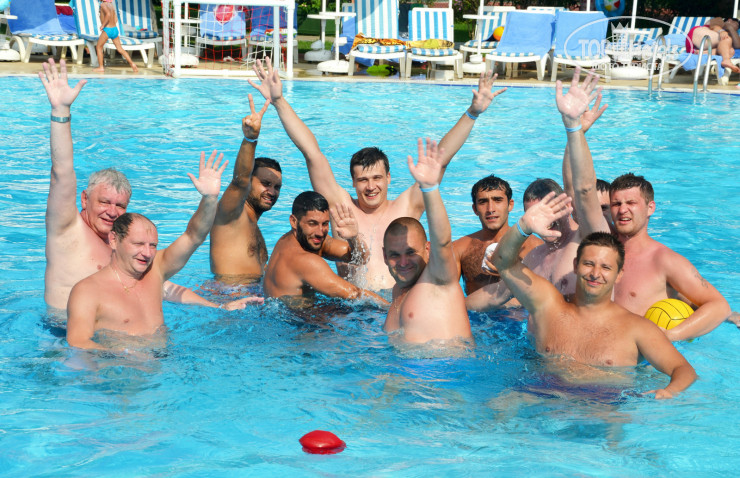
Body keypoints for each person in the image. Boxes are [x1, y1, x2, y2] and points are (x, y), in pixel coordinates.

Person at [249, 57, 506, 291]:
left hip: (400, 301)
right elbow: (311, 153)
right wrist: (279, 101)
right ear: (353, 182)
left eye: (377, 178)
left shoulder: (406, 206)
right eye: (362, 180)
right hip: (354, 310)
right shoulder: (341, 207)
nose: (370, 187)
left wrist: (472, 113)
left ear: (388, 179)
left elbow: (441, 160)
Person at [39, 58, 251, 312]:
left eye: (120, 206)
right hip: (62, 330)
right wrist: (61, 112)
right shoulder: (67, 229)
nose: (112, 211)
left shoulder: (124, 246)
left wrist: (218, 307)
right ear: (84, 199)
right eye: (104, 202)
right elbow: (62, 172)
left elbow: (163, 284)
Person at [492, 193, 696, 399]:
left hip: (601, 405)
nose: (595, 274)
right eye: (589, 264)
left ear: (619, 274)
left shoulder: (637, 328)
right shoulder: (548, 305)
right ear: (575, 265)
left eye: (606, 267)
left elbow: (683, 370)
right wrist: (523, 227)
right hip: (539, 394)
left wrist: (669, 391)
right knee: (501, 404)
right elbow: (503, 262)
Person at [66, 151, 229, 349]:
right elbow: (78, 342)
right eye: (138, 244)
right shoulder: (88, 291)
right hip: (118, 365)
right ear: (114, 240)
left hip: (164, 361)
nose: (147, 253)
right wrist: (125, 356)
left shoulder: (155, 270)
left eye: (153, 245)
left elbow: (193, 236)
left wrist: (210, 198)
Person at [609, 173, 731, 341]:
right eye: (616, 204)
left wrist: (670, 335)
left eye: (631, 203)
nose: (622, 210)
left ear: (650, 208)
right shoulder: (600, 252)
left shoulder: (665, 260)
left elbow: (719, 307)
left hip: (641, 356)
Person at [383, 139, 472, 344]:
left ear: (427, 249)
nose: (403, 262)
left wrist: (430, 189)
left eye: (411, 252)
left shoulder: (438, 279)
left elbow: (443, 241)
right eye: (395, 255)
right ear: (384, 256)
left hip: (447, 364)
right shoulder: (397, 291)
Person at [262, 191, 387, 308]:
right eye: (312, 223)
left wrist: (353, 238)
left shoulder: (298, 238)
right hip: (295, 320)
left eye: (325, 223)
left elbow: (361, 259)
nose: (320, 232)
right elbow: (356, 294)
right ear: (294, 221)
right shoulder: (304, 260)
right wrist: (391, 309)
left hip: (282, 309)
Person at [209, 93, 282, 285]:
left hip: (252, 297)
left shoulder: (254, 227)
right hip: (228, 298)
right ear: (250, 181)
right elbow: (239, 181)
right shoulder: (231, 215)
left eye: (277, 187)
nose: (272, 192)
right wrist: (250, 140)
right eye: (265, 184)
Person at [451, 175, 542, 309]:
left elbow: (545, 295)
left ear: (510, 205)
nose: (490, 209)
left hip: (519, 316)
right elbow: (445, 295)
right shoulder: (459, 248)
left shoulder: (534, 246)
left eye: (498, 200)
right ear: (475, 209)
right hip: (477, 318)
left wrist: (511, 273)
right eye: (483, 202)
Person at [94, 0, 139, 74]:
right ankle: (132, 63)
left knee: (99, 47)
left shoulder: (103, 5)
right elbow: (116, 19)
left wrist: (103, 25)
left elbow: (108, 14)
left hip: (107, 29)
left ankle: (101, 67)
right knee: (120, 49)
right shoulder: (111, 5)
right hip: (114, 29)